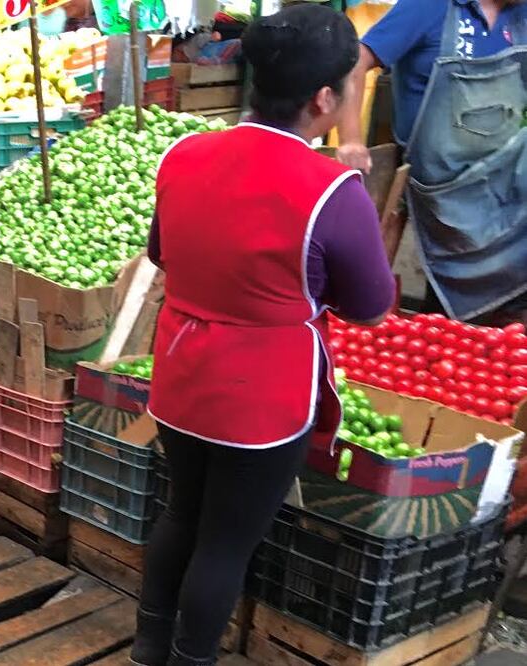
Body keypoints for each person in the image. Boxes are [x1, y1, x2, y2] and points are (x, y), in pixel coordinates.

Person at [129, 6, 397, 665]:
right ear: (325, 98)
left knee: (181, 515)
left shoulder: (184, 153)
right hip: (263, 401)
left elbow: (162, 253)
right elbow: (371, 306)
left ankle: (146, 648)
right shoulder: (333, 190)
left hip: (182, 375)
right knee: (225, 542)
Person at [337, 0, 527, 322]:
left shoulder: (521, 15)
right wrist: (351, 139)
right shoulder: (429, 6)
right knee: (451, 309)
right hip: (441, 189)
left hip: (505, 179)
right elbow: (354, 63)